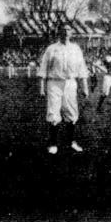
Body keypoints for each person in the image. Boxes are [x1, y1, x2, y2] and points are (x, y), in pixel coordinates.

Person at [37, 27, 90, 155]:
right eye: (63, 30)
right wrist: (41, 87)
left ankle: (71, 142)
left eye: (68, 30)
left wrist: (85, 87)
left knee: (71, 112)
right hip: (54, 83)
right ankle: (53, 143)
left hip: (70, 83)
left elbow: (82, 68)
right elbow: (43, 68)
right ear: (59, 33)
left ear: (71, 33)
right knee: (54, 112)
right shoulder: (52, 49)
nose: (66, 33)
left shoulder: (76, 49)